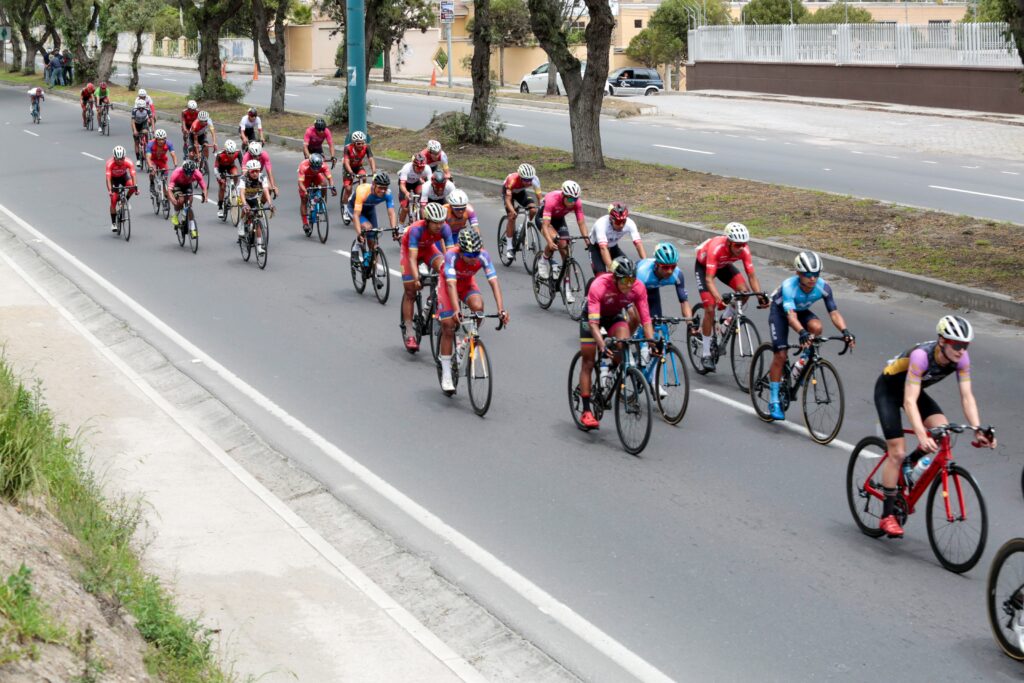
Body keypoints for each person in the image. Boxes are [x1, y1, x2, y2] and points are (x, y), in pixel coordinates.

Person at [874, 315, 996, 538]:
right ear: (942, 340)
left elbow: (967, 397)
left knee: (943, 430)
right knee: (897, 452)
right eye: (957, 345)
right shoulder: (921, 356)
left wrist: (977, 429)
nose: (961, 350)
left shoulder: (961, 359)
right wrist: (921, 435)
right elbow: (909, 401)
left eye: (965, 345)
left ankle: (911, 462)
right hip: (889, 391)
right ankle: (887, 515)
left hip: (914, 391)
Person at [765, 251, 855, 420]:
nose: (812, 278)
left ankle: (802, 362)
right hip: (781, 313)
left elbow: (834, 313)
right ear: (798, 273)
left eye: (816, 274)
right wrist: (802, 332)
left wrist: (845, 331)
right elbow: (791, 317)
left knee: (816, 327)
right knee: (781, 355)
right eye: (807, 274)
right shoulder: (789, 286)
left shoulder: (823, 287)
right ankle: (774, 399)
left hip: (800, 310)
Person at [577, 257, 657, 430]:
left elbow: (646, 320)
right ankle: (586, 411)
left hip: (614, 316)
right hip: (591, 318)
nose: (629, 285)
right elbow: (593, 325)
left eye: (631, 280)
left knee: (624, 344)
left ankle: (610, 370)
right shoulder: (599, 286)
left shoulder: (638, 287)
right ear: (615, 278)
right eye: (624, 280)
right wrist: (602, 345)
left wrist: (652, 343)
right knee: (588, 361)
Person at [437, 229, 509, 393]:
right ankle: (446, 372)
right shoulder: (451, 255)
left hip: (467, 284)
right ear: (461, 251)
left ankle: (465, 342)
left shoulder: (483, 256)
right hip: (449, 286)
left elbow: (494, 282)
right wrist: (456, 310)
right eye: (469, 255)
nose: (473, 258)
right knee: (448, 325)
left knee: (478, 309)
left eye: (476, 254)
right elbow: (451, 285)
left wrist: (501, 309)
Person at [694, 222, 768, 372]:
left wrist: (760, 295)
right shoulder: (716, 248)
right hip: (704, 268)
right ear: (728, 242)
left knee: (744, 293)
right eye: (737, 245)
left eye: (743, 244)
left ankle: (724, 321)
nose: (741, 248)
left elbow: (752, 276)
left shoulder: (744, 250)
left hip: (723, 265)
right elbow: (709, 280)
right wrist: (719, 299)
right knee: (710, 308)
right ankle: (706, 354)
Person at [400, 201, 455, 352]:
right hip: (410, 252)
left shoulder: (445, 228)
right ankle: (409, 332)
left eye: (441, 222)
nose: (439, 226)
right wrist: (416, 278)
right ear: (427, 221)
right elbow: (412, 258)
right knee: (411, 291)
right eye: (435, 222)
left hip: (428, 250)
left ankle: (434, 299)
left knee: (444, 270)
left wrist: (450, 273)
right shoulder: (416, 229)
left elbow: (451, 255)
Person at [537, 180, 588, 280]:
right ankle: (543, 260)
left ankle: (565, 281)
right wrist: (549, 242)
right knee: (555, 239)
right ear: (563, 195)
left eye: (575, 199)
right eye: (570, 199)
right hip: (543, 218)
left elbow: (581, 223)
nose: (573, 202)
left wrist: (587, 241)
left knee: (565, 247)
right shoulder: (552, 200)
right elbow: (546, 225)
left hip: (559, 219)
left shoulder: (577, 203)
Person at [350, 171, 398, 270]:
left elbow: (391, 213)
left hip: (370, 210)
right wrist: (359, 234)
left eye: (385, 188)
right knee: (367, 227)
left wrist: (394, 229)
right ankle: (356, 247)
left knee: (374, 243)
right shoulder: (363, 191)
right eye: (380, 187)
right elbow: (356, 215)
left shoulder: (388, 194)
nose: (383, 191)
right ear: (373, 184)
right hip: (354, 209)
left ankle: (374, 273)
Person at [589, 202, 646, 275]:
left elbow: (638, 244)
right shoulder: (601, 224)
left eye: (623, 221)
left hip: (613, 247)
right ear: (611, 219)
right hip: (596, 247)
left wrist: (645, 262)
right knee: (602, 275)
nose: (621, 225)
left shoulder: (630, 223)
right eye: (618, 222)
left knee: (627, 270)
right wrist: (611, 268)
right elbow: (603, 248)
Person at [500, 163, 542, 261]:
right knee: (512, 216)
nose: (528, 182)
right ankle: (509, 248)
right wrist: (512, 210)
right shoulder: (512, 180)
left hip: (520, 192)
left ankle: (522, 228)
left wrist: (542, 209)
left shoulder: (535, 180)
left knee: (533, 209)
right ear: (520, 177)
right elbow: (507, 200)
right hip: (508, 193)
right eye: (526, 180)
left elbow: (539, 198)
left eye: (530, 180)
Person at [235, 159, 273, 254]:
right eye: (252, 171)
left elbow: (266, 190)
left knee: (257, 219)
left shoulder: (262, 177)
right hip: (242, 197)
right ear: (248, 171)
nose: (255, 173)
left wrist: (270, 204)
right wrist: (245, 205)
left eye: (257, 171)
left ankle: (259, 247)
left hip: (253, 197)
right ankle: (241, 224)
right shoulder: (244, 178)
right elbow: (242, 193)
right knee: (247, 210)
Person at [166, 160, 208, 237]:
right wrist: (172, 199)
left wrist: (205, 196)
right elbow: (169, 190)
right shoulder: (176, 173)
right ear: (183, 170)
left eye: (190, 173)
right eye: (186, 173)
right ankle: (175, 215)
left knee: (189, 203)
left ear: (193, 171)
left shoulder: (197, 173)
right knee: (181, 200)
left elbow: (204, 187)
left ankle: (192, 229)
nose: (188, 175)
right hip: (177, 185)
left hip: (188, 185)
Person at [297, 153, 337, 232]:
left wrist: (332, 188)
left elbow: (330, 179)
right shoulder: (303, 166)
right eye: (314, 167)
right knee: (304, 199)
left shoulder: (323, 165)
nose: (316, 169)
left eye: (318, 167)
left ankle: (321, 200)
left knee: (324, 184)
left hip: (316, 176)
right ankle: (305, 223)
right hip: (305, 179)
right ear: (310, 164)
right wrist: (305, 191)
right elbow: (300, 183)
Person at [105, 146, 137, 233]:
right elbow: (108, 178)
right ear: (114, 157)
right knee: (113, 199)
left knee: (132, 186)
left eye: (122, 159)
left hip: (123, 177)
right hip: (113, 179)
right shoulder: (109, 163)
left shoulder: (128, 162)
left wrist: (136, 187)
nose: (120, 161)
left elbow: (133, 174)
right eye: (117, 159)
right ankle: (113, 223)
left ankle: (126, 200)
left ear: (124, 157)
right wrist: (110, 190)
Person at [340, 130, 375, 209]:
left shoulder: (366, 147)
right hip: (348, 168)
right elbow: (346, 162)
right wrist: (351, 172)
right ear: (353, 143)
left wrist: (374, 171)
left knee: (364, 177)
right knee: (348, 189)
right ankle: (345, 207)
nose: (361, 145)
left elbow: (371, 159)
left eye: (362, 143)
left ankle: (361, 194)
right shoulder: (348, 148)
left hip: (358, 166)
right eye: (358, 143)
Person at [397, 153, 430, 225]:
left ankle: (420, 216)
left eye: (422, 167)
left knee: (422, 195)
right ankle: (400, 226)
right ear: (413, 165)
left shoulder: (427, 168)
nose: (420, 170)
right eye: (418, 167)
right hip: (406, 184)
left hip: (416, 182)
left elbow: (430, 183)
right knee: (405, 208)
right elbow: (402, 185)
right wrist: (406, 192)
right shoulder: (407, 168)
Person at [214, 140, 243, 219]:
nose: (231, 155)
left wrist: (244, 172)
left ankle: (233, 189)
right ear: (225, 151)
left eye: (232, 153)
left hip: (231, 166)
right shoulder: (220, 155)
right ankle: (220, 207)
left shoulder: (238, 152)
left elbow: (243, 164)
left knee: (235, 174)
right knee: (222, 186)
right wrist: (220, 178)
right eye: (229, 153)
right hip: (221, 169)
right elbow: (215, 169)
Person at [145, 129, 178, 195]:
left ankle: (165, 191)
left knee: (165, 176)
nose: (161, 141)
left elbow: (173, 154)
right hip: (153, 160)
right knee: (153, 172)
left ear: (165, 139)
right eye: (159, 139)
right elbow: (148, 157)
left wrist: (175, 164)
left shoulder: (169, 143)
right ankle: (152, 184)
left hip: (162, 160)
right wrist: (150, 166)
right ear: (156, 139)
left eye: (163, 139)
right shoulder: (150, 144)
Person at [130, 98, 154, 167]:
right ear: (137, 107)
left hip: (143, 123)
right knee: (136, 142)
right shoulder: (134, 110)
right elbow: (132, 122)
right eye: (139, 108)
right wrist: (135, 130)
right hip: (136, 124)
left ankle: (146, 144)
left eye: (142, 108)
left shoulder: (147, 109)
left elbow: (151, 119)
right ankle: (138, 160)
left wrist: (153, 129)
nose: (141, 109)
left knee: (145, 132)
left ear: (144, 107)